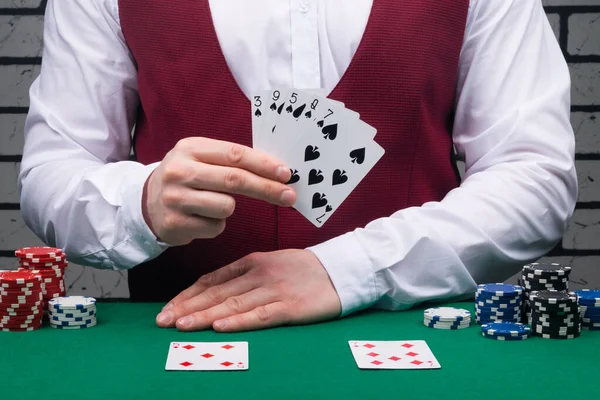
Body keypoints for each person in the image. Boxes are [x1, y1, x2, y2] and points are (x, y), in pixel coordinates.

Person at [19, 0, 577, 333]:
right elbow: (52, 172)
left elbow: (533, 177)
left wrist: (352, 269)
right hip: (179, 341)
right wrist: (139, 203)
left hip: (415, 351)